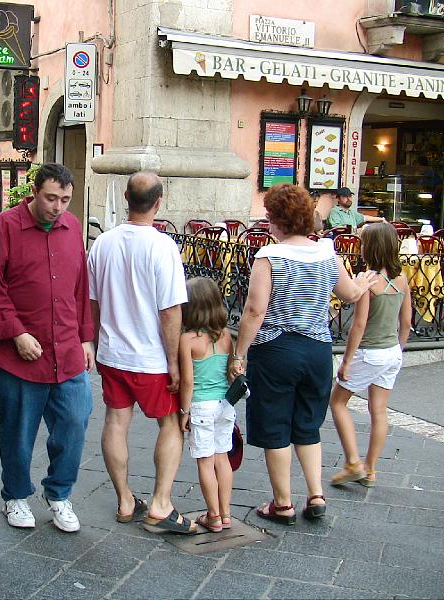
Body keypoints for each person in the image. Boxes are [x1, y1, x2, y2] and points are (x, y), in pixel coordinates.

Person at [229, 184, 378, 525]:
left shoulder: (269, 257)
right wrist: (366, 281)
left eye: (269, 218)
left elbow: (254, 311)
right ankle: (315, 493)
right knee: (309, 423)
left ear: (280, 221)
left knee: (277, 425)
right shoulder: (327, 251)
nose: (267, 224)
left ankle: (282, 503)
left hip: (276, 349)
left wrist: (240, 353)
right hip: (317, 350)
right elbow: (351, 292)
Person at [0, 163, 94, 533]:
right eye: (51, 198)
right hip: (20, 355)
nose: (58, 207)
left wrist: (85, 338)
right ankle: (15, 494)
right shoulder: (6, 226)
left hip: (66, 351)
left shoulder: (72, 228)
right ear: (34, 192)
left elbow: (80, 290)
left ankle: (58, 493)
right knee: (17, 431)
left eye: (65, 199)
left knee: (76, 420)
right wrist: (16, 332)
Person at [88, 171, 195, 535]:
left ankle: (125, 501)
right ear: (159, 202)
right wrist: (172, 361)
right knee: (169, 425)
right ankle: (161, 504)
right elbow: (170, 312)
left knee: (115, 422)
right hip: (150, 358)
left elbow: (93, 302)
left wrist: (100, 340)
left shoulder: (101, 243)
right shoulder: (163, 246)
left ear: (126, 198)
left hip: (112, 353)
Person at [330, 223, 412, 488]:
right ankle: (371, 469)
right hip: (390, 352)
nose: (360, 246)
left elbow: (359, 325)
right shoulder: (402, 279)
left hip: (369, 352)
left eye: (363, 242)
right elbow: (406, 320)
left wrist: (347, 360)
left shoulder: (368, 280)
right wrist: (398, 348)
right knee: (378, 410)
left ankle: (353, 462)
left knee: (337, 403)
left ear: (372, 247)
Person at [178, 277, 235, 533]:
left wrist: (183, 411)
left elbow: (188, 382)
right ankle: (225, 513)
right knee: (223, 458)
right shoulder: (225, 336)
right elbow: (228, 373)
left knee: (205, 461)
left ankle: (212, 515)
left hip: (201, 407)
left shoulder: (188, 340)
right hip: (225, 405)